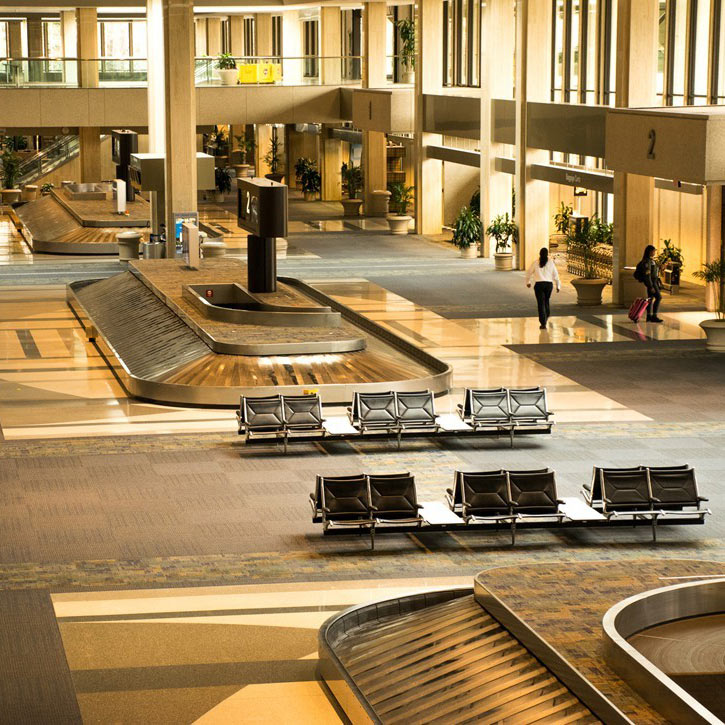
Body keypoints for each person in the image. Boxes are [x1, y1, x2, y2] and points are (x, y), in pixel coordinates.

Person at [526, 247, 560, 329]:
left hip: (539, 285)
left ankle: (543, 322)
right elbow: (556, 274)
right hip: (549, 285)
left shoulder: (535, 262)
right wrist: (558, 285)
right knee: (546, 301)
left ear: (539, 254)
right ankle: (546, 316)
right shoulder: (551, 263)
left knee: (540, 304)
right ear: (547, 254)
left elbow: (529, 273)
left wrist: (528, 282)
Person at [634, 244, 663, 323]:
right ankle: (654, 316)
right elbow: (648, 276)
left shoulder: (651, 260)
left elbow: (654, 271)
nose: (654, 252)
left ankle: (649, 316)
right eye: (653, 251)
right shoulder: (647, 262)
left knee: (650, 299)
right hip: (652, 283)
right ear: (649, 251)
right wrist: (651, 286)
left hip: (654, 282)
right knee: (659, 297)